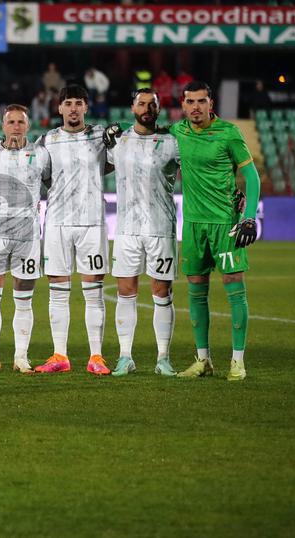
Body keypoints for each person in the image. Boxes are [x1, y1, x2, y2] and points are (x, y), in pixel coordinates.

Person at [170, 82, 259, 381]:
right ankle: (203, 360)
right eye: (190, 101)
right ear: (183, 105)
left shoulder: (229, 133)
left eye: (201, 101)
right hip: (193, 224)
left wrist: (248, 218)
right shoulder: (176, 132)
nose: (195, 106)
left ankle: (238, 361)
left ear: (211, 103)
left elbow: (251, 176)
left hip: (226, 224)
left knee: (234, 287)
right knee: (196, 290)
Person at [34, 84, 113, 376]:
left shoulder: (101, 137)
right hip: (56, 222)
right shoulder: (47, 140)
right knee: (58, 291)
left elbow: (115, 165)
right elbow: (39, 176)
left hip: (92, 221)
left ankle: (96, 356)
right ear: (59, 108)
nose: (73, 108)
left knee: (93, 290)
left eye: (79, 103)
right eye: (68, 103)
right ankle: (60, 355)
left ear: (86, 107)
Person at [104, 89, 180, 377]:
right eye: (142, 103)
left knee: (162, 292)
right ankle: (125, 357)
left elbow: (196, 172)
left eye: (153, 104)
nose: (147, 108)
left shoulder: (172, 143)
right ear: (132, 107)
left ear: (159, 109)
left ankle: (163, 358)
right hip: (126, 230)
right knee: (126, 292)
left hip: (161, 228)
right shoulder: (118, 142)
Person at [0, 104, 50, 373]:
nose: (16, 126)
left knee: (24, 298)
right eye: (11, 122)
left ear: (28, 126)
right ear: (3, 126)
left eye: (21, 122)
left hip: (27, 235)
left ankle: (21, 356)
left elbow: (52, 182)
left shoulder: (41, 154)